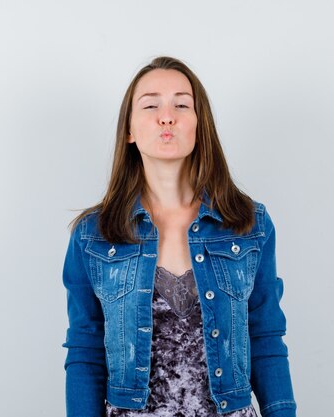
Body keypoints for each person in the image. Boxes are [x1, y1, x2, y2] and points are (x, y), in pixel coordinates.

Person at [61, 56, 297, 417]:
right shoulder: (93, 236)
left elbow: (265, 339)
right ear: (129, 130)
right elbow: (85, 351)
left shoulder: (249, 224)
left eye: (182, 104)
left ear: (200, 125)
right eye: (151, 104)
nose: (166, 116)